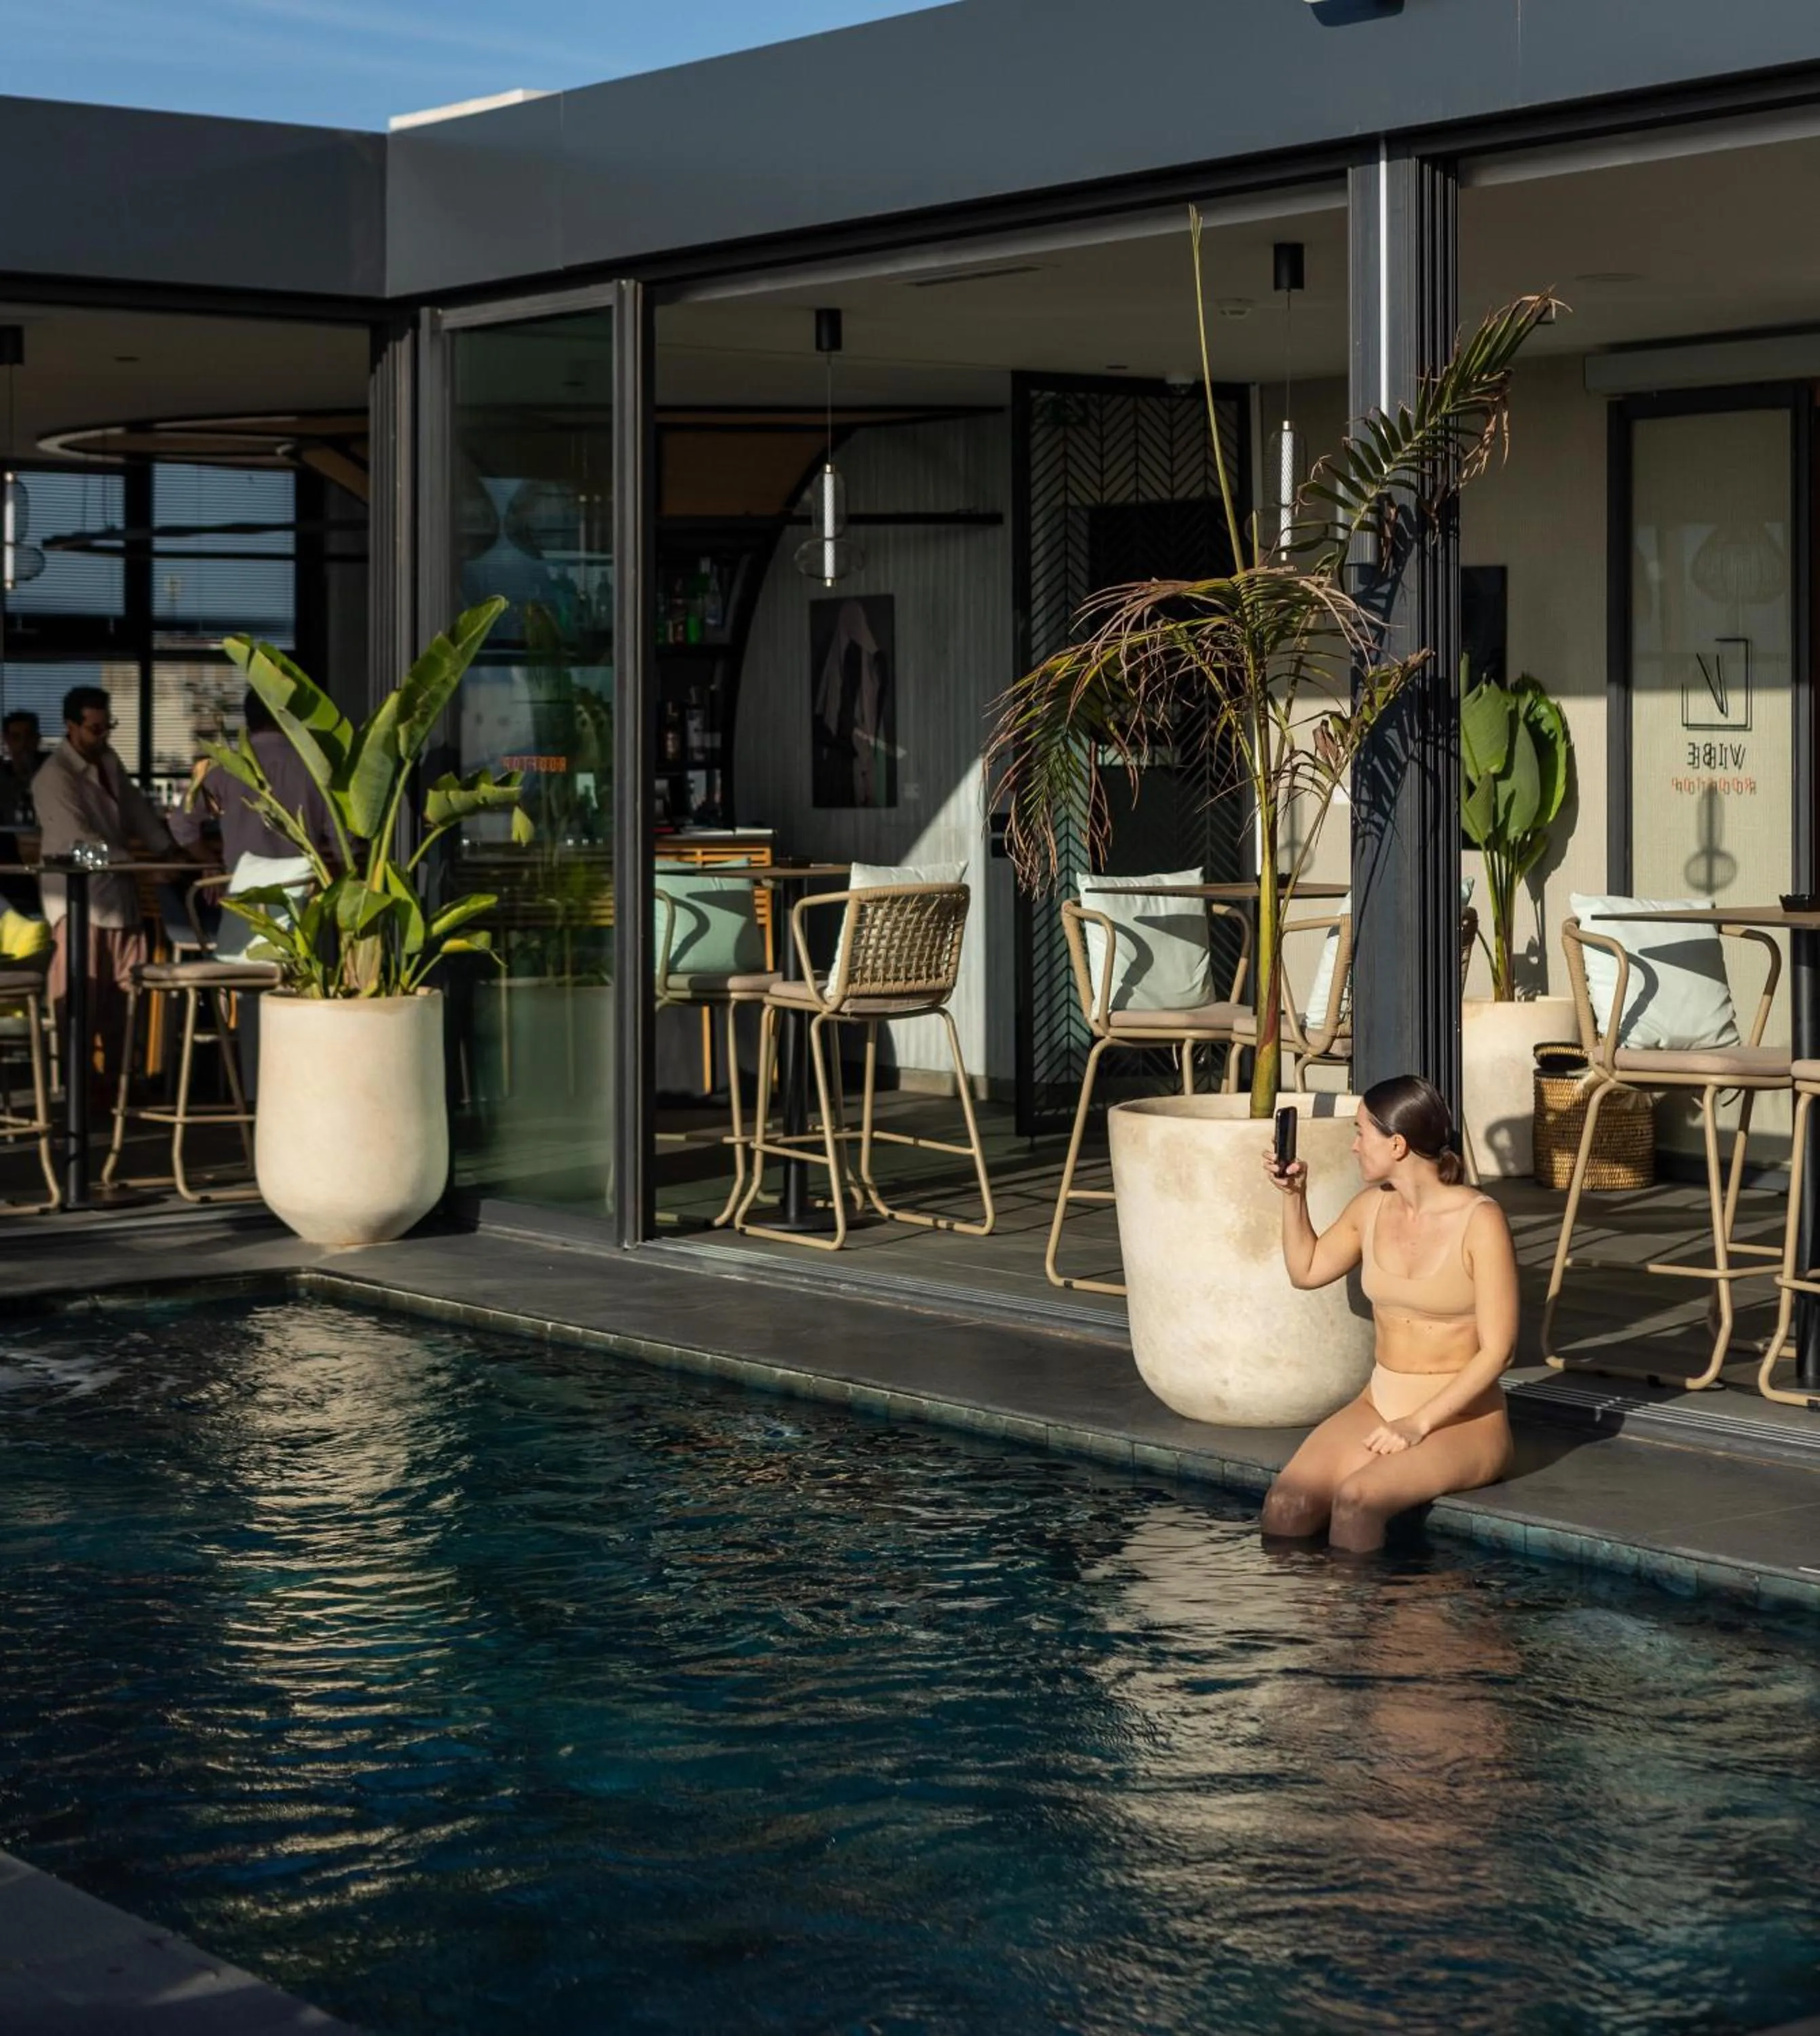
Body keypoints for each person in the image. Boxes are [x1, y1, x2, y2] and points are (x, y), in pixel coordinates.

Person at [1259, 1074, 1519, 1554]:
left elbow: (1499, 1351)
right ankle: (1310, 1609)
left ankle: (1374, 1607)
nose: (1355, 1146)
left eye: (1362, 1133)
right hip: (1380, 1405)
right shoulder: (1370, 1209)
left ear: (1397, 1145)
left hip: (1463, 1420)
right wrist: (1293, 1195)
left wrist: (1417, 1424)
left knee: (1358, 1503)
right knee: (1287, 1505)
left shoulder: (1480, 1221)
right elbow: (1307, 1270)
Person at [33, 685, 200, 1095]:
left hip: (119, 899)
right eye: (95, 728)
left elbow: (137, 811)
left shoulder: (108, 760)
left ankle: (118, 1088)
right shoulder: (53, 777)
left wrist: (165, 850)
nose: (103, 734)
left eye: (109, 726)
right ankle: (80, 1092)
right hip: (80, 904)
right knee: (82, 1002)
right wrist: (143, 865)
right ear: (70, 727)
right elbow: (80, 847)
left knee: (124, 1004)